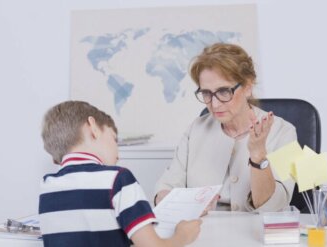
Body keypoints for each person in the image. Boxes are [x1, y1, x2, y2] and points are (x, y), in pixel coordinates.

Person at [155, 43, 297, 212]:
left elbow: (275, 206)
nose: (214, 104)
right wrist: (181, 204)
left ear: (247, 87)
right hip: (203, 231)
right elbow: (165, 188)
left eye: (223, 91)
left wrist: (258, 156)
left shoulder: (284, 132)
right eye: (206, 93)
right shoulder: (196, 129)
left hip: (256, 233)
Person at [39, 101, 201, 247]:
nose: (118, 154)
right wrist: (183, 236)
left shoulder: (47, 186)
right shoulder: (118, 179)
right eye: (114, 139)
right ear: (93, 127)